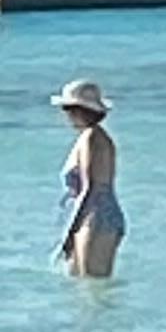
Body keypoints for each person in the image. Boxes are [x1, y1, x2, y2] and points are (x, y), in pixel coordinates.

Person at [54, 77, 123, 278]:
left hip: (95, 216)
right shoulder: (96, 137)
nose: (65, 115)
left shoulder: (91, 138)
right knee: (86, 287)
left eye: (67, 109)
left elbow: (90, 187)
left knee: (91, 285)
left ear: (78, 110)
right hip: (98, 213)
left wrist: (70, 232)